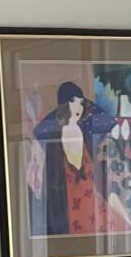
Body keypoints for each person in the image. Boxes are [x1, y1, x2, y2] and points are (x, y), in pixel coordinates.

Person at [29, 80, 117, 238]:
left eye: (81, 103)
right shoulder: (54, 137)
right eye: (73, 102)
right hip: (68, 203)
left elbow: (108, 122)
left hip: (90, 201)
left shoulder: (86, 132)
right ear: (63, 105)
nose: (78, 107)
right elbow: (51, 177)